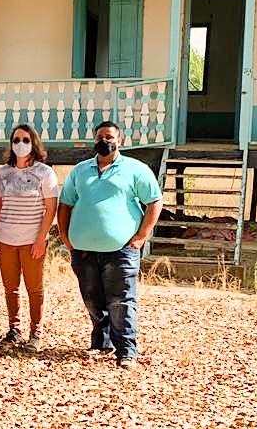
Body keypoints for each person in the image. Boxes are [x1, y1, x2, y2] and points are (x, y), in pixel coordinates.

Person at [58, 120, 163, 369]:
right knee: (92, 298)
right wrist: (65, 236)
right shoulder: (80, 171)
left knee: (121, 300)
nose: (104, 141)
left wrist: (141, 236)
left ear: (120, 141)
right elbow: (65, 205)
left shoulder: (136, 169)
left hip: (121, 250)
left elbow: (155, 202)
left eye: (109, 137)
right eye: (99, 137)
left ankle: (126, 350)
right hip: (83, 250)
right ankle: (101, 342)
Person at [0, 124, 58, 348]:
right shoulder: (4, 173)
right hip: (7, 239)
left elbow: (51, 208)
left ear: (34, 143)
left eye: (26, 140)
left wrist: (41, 239)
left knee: (34, 288)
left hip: (32, 241)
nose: (21, 144)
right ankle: (14, 328)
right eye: (16, 140)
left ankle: (35, 333)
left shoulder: (44, 173)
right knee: (11, 287)